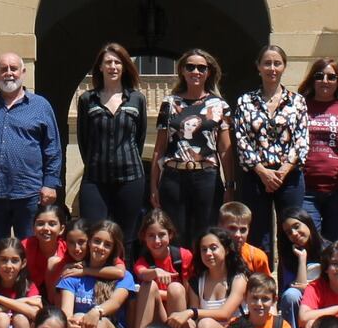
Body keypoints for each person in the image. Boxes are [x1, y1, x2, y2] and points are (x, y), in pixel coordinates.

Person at [0, 52, 61, 250]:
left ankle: (28, 283)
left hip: (29, 194)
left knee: (30, 251)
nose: (9, 73)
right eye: (3, 69)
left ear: (23, 72)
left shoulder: (40, 106)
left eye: (13, 68)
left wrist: (50, 183)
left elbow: (52, 147)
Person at [232, 44, 309, 263]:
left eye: (277, 63)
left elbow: (302, 140)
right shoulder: (245, 101)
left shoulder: (297, 102)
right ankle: (260, 287)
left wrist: (282, 172)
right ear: (258, 67)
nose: (272, 68)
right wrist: (262, 172)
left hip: (289, 176)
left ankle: (291, 287)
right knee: (258, 234)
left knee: (292, 231)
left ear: (284, 67)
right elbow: (241, 139)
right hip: (255, 176)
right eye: (267, 63)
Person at [154, 47, 233, 248]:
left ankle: (201, 278)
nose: (195, 72)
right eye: (190, 67)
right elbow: (160, 147)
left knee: (205, 234)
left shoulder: (219, 104)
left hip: (207, 176)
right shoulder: (170, 103)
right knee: (175, 234)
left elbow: (225, 148)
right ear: (182, 70)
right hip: (174, 177)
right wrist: (153, 186)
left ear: (209, 72)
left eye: (201, 68)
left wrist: (230, 185)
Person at [74, 42, 150, 245]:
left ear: (124, 66)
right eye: (108, 62)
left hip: (130, 177)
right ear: (100, 66)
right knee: (93, 233)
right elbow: (83, 139)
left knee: (125, 237)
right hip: (95, 178)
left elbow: (140, 138)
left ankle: (124, 275)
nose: (113, 66)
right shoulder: (87, 99)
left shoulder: (137, 99)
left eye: (117, 62)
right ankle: (96, 277)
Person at [298, 59, 338, 243]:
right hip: (306, 189)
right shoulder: (299, 107)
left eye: (331, 77)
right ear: (312, 79)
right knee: (309, 243)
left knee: (336, 247)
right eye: (319, 76)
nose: (325, 81)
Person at [186, 226, 248, 328]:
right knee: (187, 323)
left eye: (213, 248)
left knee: (205, 325)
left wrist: (191, 312)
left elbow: (224, 314)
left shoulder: (238, 279)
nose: (208, 253)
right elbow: (195, 321)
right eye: (204, 249)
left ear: (226, 250)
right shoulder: (196, 282)